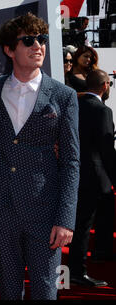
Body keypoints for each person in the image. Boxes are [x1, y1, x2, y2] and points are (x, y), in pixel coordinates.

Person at [0, 12, 80, 300]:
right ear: (9, 50)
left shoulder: (63, 96)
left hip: (45, 210)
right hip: (1, 207)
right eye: (29, 41)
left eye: (42, 40)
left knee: (46, 291)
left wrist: (66, 218)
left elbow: (72, 161)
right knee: (8, 291)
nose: (38, 46)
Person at [68, 70, 115, 287]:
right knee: (84, 226)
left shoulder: (74, 105)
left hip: (74, 174)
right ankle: (78, 272)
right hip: (95, 178)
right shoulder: (102, 111)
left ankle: (76, 269)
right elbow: (107, 150)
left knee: (76, 225)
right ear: (105, 86)